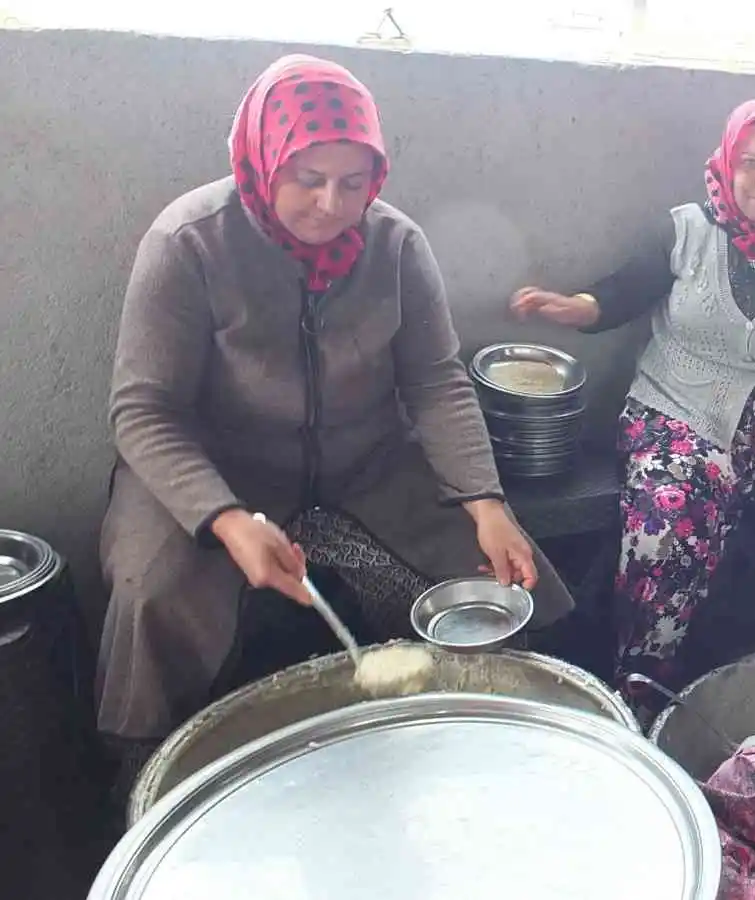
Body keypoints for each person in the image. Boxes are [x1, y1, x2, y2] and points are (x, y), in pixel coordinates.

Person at [98, 55, 573, 779]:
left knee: (499, 578)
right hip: (213, 471)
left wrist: (486, 501)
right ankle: (146, 790)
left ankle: (486, 766)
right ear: (264, 161)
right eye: (307, 179)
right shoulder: (189, 242)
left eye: (354, 184)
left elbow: (436, 382)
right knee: (151, 596)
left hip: (365, 465)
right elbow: (143, 410)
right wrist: (227, 520)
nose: (331, 205)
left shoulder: (397, 246)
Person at [511, 99, 755, 692]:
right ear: (727, 164)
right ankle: (643, 691)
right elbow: (624, 291)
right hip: (677, 411)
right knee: (665, 527)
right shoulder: (686, 230)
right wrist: (573, 309)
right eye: (750, 163)